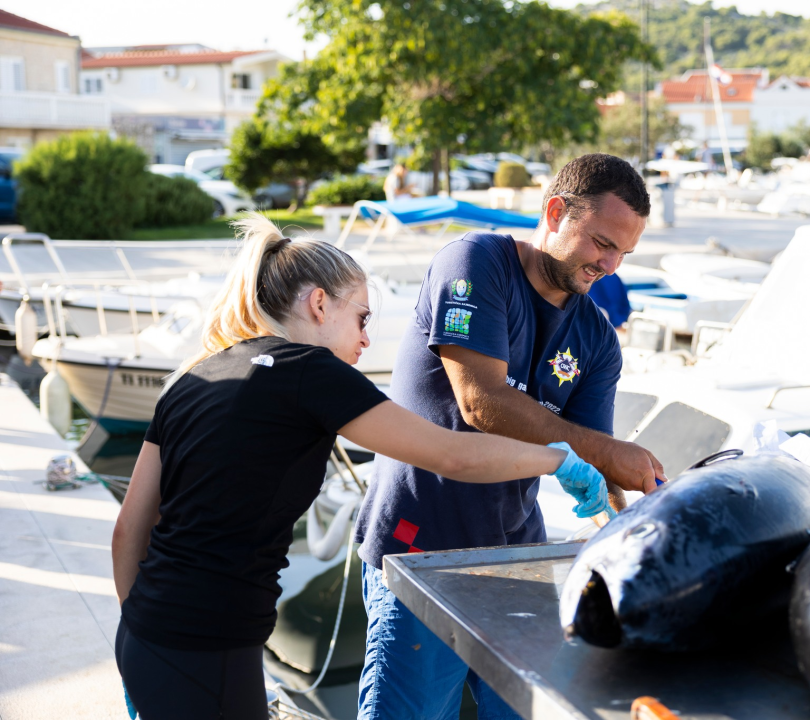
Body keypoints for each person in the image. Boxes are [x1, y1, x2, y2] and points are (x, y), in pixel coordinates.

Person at [110, 214, 612, 720]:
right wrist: (558, 460)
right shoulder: (309, 371)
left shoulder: (197, 374)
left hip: (143, 632)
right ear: (320, 303)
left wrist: (143, 636)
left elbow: (129, 528)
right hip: (211, 642)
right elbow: (451, 454)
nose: (368, 339)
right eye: (363, 318)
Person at [354, 153, 666, 719]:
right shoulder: (475, 260)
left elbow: (596, 464)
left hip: (518, 564)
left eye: (624, 252)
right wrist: (604, 455)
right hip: (418, 553)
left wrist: (624, 521)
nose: (611, 264)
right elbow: (481, 401)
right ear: (555, 211)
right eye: (601, 242)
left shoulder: (596, 338)